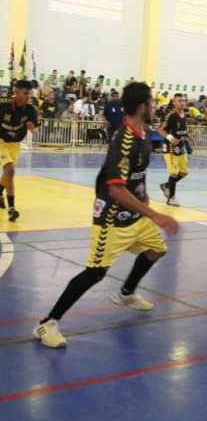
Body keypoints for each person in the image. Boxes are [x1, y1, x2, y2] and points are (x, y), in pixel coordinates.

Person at [33, 82, 179, 348]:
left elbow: (136, 175)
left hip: (135, 214)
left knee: (157, 249)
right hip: (111, 218)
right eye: (152, 102)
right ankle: (47, 323)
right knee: (95, 273)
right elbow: (116, 189)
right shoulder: (124, 140)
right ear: (141, 106)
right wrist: (156, 215)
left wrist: (144, 199)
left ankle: (126, 293)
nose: (156, 106)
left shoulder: (144, 133)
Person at [0, 80, 39, 222]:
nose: (29, 96)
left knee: (8, 176)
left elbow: (34, 129)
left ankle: (10, 208)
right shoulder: (3, 106)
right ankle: (8, 204)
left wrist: (31, 128)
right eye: (26, 93)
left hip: (15, 144)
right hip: (1, 142)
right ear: (16, 92)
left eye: (30, 93)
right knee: (10, 171)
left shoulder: (30, 109)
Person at [158, 94, 189, 206]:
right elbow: (160, 130)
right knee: (174, 173)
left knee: (184, 172)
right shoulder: (170, 115)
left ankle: (166, 185)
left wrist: (188, 136)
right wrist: (171, 138)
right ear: (174, 102)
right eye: (180, 100)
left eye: (184, 100)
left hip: (181, 147)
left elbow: (182, 130)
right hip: (170, 148)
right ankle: (171, 198)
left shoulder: (184, 114)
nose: (182, 102)